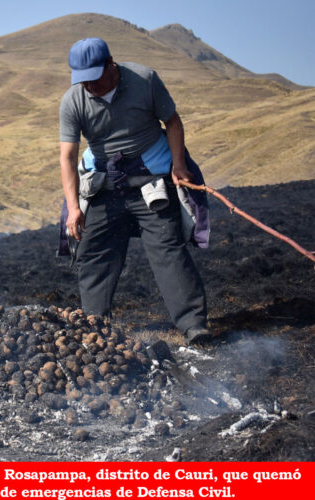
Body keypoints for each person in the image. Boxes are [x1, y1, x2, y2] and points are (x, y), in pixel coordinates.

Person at [58, 38, 212, 344]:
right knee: (93, 251)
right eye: (82, 80)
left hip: (151, 178)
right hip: (105, 183)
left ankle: (193, 324)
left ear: (110, 64)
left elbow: (173, 122)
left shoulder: (144, 80)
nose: (89, 86)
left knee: (168, 248)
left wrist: (179, 164)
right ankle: (95, 326)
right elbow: (67, 156)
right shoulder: (73, 100)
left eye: (94, 77)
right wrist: (74, 207)